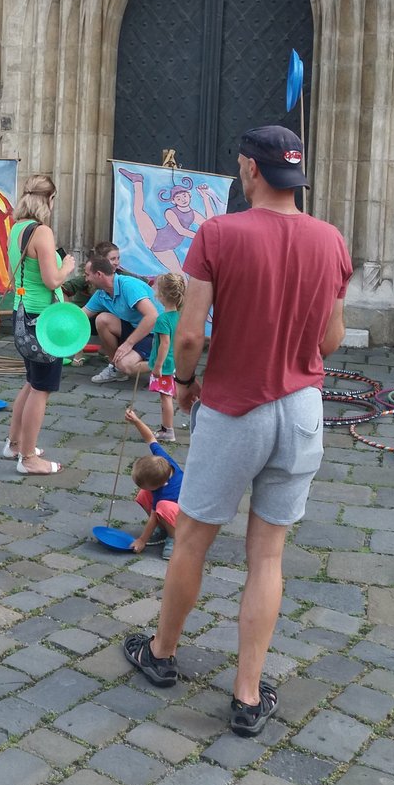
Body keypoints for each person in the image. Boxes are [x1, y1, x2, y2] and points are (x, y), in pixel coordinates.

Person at [122, 125, 352, 739]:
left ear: (249, 170)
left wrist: (188, 381)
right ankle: (248, 695)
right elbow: (330, 340)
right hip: (301, 408)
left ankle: (163, 654)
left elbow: (190, 335)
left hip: (235, 407)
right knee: (267, 555)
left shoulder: (218, 233)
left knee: (193, 536)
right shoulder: (331, 241)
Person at [4, 174, 75, 474]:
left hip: (20, 314)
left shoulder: (16, 228)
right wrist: (67, 267)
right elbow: (52, 280)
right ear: (50, 200)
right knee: (42, 388)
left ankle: (15, 444)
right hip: (42, 321)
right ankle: (29, 458)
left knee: (32, 382)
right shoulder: (42, 232)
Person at [118, 169, 223, 274]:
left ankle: (138, 181)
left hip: (167, 247)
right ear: (173, 201)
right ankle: (138, 181)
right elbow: (180, 230)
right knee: (139, 212)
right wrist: (199, 236)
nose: (183, 199)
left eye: (184, 196)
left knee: (180, 273)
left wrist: (205, 198)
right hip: (156, 239)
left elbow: (209, 223)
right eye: (178, 198)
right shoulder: (170, 212)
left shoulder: (193, 214)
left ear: (189, 195)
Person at [85, 254, 159, 384]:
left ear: (99, 274)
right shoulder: (101, 294)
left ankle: (166, 364)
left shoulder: (128, 286)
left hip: (156, 332)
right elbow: (81, 316)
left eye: (87, 274)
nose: (86, 279)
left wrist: (128, 344)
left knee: (126, 365)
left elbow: (152, 316)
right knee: (102, 319)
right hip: (136, 327)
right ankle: (116, 369)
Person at [125, 407, 183, 560]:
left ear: (159, 485)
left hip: (186, 520)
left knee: (161, 507)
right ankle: (164, 527)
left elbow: (153, 515)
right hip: (173, 510)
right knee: (143, 495)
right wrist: (136, 421)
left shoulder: (165, 492)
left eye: (147, 485)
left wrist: (142, 540)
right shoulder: (162, 461)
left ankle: (175, 537)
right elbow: (150, 438)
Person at [146, 272, 187, 443]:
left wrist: (158, 366)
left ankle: (167, 430)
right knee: (175, 393)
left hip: (166, 366)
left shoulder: (163, 319)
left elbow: (164, 344)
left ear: (161, 295)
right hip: (176, 362)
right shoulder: (180, 316)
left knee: (166, 397)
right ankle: (197, 413)